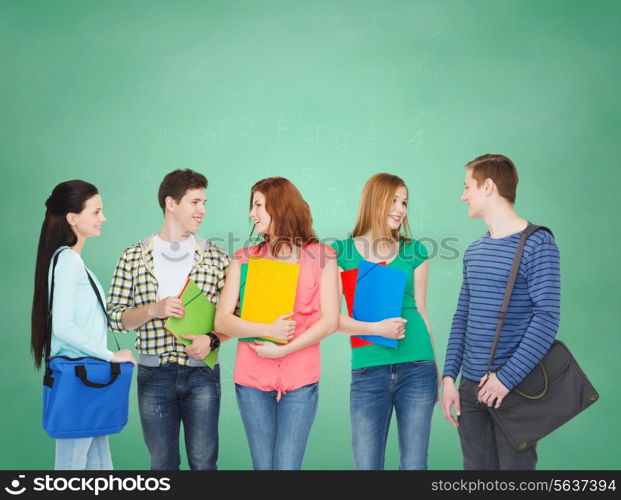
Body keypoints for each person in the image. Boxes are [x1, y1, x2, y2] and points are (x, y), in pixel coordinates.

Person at [441, 154, 561, 470]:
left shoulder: (538, 243)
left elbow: (547, 318)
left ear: (489, 186)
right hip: (469, 390)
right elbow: (462, 316)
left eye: (468, 186)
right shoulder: (474, 251)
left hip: (515, 388)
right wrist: (450, 377)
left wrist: (505, 379)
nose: (463, 195)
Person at [107, 169, 229, 470]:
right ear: (171, 203)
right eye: (194, 202)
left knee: (204, 463)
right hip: (154, 374)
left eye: (204, 202)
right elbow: (115, 317)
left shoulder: (216, 257)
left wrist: (212, 339)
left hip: (202, 373)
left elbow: (236, 315)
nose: (202, 210)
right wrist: (153, 310)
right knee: (162, 465)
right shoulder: (133, 256)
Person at [215, 176, 339, 470]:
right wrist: (265, 331)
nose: (251, 213)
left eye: (258, 205)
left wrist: (284, 349)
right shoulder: (244, 259)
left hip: (301, 378)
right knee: (263, 467)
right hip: (252, 378)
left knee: (286, 468)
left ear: (279, 208)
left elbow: (330, 320)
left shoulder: (323, 256)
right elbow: (222, 320)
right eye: (252, 206)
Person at [330, 173, 438, 470]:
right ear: (373, 201)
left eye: (404, 202)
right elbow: (330, 320)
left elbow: (422, 312)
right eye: (393, 200)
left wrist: (437, 370)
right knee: (367, 466)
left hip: (418, 367)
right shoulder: (341, 253)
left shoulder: (415, 251)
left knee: (414, 465)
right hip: (367, 370)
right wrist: (376, 329)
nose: (400, 209)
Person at [31, 180, 136, 470]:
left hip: (86, 379)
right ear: (72, 218)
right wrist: (111, 355)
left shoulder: (73, 262)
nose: (103, 218)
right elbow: (63, 327)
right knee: (72, 468)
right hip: (80, 378)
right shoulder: (68, 262)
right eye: (96, 211)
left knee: (100, 468)